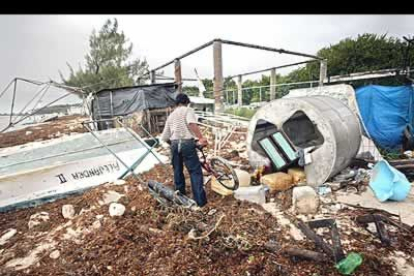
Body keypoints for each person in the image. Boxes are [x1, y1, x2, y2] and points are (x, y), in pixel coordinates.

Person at [161, 93, 208, 207]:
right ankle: (200, 201)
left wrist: (174, 143)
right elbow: (191, 123)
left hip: (174, 144)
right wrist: (201, 138)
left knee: (178, 170)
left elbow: (164, 137)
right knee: (195, 171)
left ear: (176, 103)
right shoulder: (188, 110)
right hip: (187, 143)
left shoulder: (171, 116)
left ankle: (180, 198)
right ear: (187, 102)